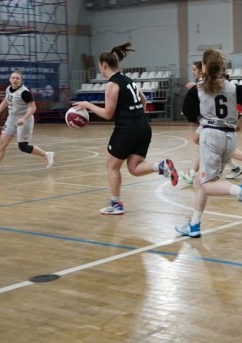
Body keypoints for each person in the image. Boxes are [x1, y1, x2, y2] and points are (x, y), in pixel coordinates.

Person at [72, 42, 177, 215]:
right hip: (143, 126)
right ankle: (161, 166)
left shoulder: (112, 84)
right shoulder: (129, 80)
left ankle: (116, 204)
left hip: (127, 129)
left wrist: (88, 105)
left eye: (99, 66)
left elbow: (108, 114)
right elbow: (143, 100)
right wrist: (137, 116)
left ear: (104, 65)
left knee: (112, 166)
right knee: (134, 168)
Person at [176, 48, 242, 237]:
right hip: (230, 137)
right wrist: (239, 124)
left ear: (204, 67)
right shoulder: (234, 87)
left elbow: (189, 115)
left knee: (206, 184)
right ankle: (194, 225)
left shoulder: (197, 89)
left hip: (211, 136)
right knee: (201, 181)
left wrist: (204, 115)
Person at [180, 61, 242, 185]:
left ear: (203, 70)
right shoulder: (228, 85)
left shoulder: (202, 85)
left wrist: (193, 92)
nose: (192, 72)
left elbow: (205, 97)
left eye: (195, 69)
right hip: (222, 126)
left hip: (212, 123)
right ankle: (235, 167)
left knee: (205, 146)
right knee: (199, 142)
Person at [0, 71, 54, 175]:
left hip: (25, 120)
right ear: (9, 79)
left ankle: (46, 154)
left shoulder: (24, 92)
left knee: (23, 147)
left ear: (21, 80)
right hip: (11, 119)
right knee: (2, 143)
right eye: (13, 78)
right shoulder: (8, 89)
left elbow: (33, 108)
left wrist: (24, 119)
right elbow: (6, 101)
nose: (15, 80)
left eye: (17, 78)